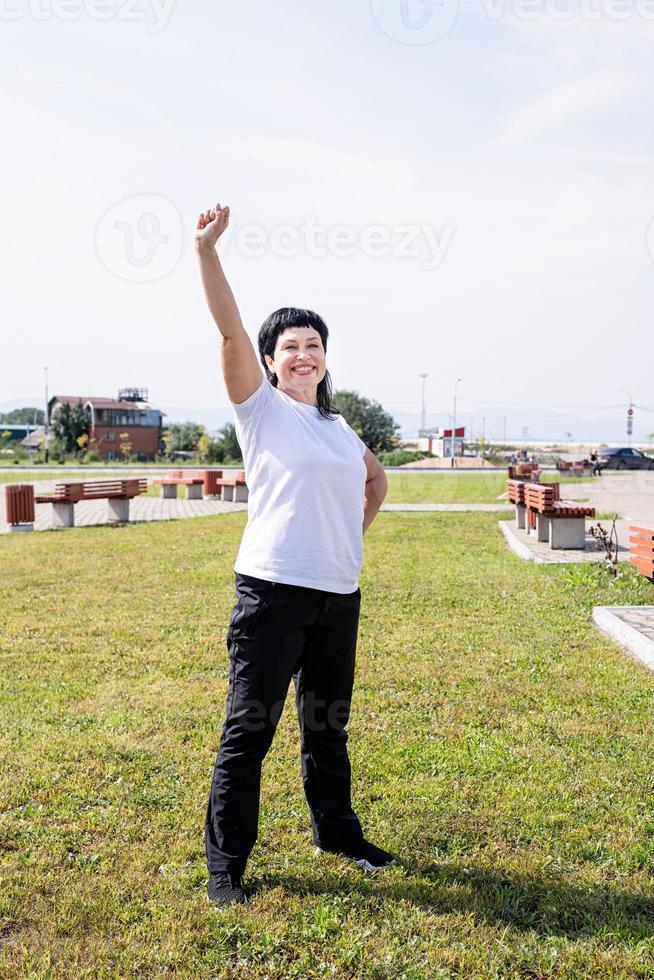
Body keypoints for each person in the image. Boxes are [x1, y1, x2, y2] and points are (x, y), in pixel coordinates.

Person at [195, 202, 395, 907]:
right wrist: (207, 251)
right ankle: (227, 867)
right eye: (290, 346)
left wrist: (350, 532)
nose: (304, 353)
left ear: (324, 357)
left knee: (327, 724)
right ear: (272, 363)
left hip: (338, 595)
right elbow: (226, 328)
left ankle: (336, 833)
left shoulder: (338, 426)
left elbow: (375, 479)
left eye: (313, 344)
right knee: (250, 729)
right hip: (273, 593)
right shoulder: (263, 412)